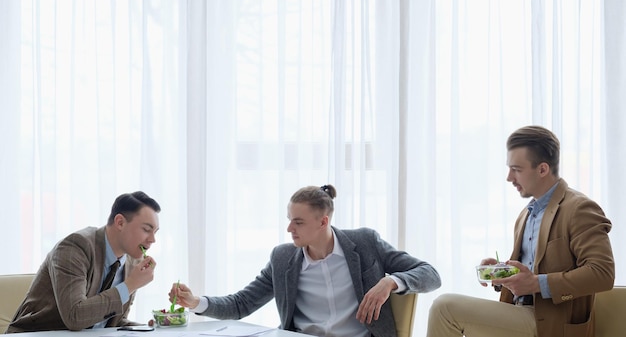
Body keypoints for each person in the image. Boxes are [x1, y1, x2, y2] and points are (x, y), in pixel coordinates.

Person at [169, 184, 441, 337]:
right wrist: (196, 303)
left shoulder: (365, 243)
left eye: (298, 222)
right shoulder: (283, 258)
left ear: (323, 221)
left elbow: (430, 274)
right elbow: (242, 303)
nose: (290, 229)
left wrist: (391, 282)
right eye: (289, 220)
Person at [426, 125, 615, 337]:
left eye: (516, 169)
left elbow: (602, 273)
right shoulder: (526, 214)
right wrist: (501, 272)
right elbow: (532, 270)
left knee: (444, 308)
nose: (509, 177)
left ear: (542, 169)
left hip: (553, 325)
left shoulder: (579, 208)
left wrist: (537, 284)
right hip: (520, 314)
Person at [6, 191, 160, 333]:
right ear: (120, 222)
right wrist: (130, 285)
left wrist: (154, 329)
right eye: (147, 229)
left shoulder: (132, 261)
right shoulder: (75, 247)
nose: (152, 239)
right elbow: (75, 316)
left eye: (155, 232)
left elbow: (110, 322)